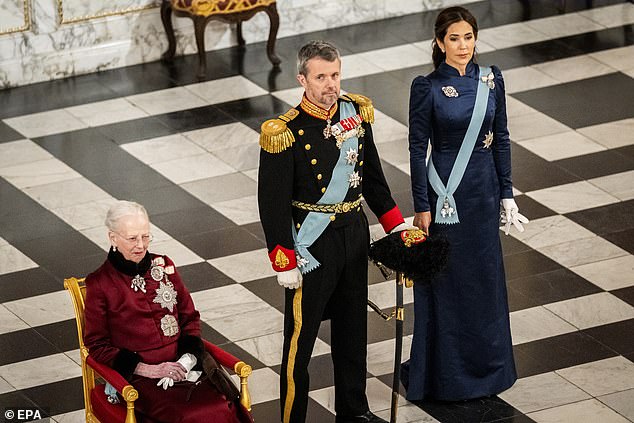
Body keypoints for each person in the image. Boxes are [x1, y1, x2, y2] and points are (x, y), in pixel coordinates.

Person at [257, 40, 408, 423]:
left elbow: (372, 176)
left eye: (335, 75)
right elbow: (272, 203)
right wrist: (283, 259)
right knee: (300, 342)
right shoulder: (285, 131)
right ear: (302, 80)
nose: (330, 84)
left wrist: (395, 227)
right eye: (321, 77)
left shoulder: (355, 112)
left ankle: (354, 412)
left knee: (353, 328)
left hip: (354, 233)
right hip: (313, 243)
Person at [403, 6, 528, 402]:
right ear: (440, 43)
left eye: (468, 37)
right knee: (449, 283)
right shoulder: (427, 87)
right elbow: (416, 146)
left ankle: (489, 373)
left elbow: (502, 137)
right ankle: (447, 376)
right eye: (454, 38)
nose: (463, 46)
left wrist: (507, 193)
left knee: (484, 283)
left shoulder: (492, 80)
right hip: (446, 199)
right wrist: (421, 204)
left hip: (484, 194)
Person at [84, 200, 250, 423]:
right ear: (113, 238)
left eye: (146, 236)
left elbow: (189, 317)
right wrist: (148, 370)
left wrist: (187, 359)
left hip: (185, 367)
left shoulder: (164, 266)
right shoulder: (100, 282)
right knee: (188, 416)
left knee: (224, 405)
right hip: (141, 379)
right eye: (132, 238)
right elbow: (97, 345)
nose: (141, 245)